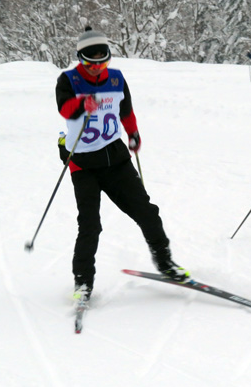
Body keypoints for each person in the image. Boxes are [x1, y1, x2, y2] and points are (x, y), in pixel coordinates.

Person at [55, 27, 189, 301]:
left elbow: (125, 111)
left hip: (115, 158)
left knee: (147, 212)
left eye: (102, 61)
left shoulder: (116, 79)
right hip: (83, 163)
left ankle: (165, 264)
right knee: (90, 225)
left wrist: (134, 133)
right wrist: (83, 104)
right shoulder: (68, 79)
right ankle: (82, 283)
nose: (96, 68)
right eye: (89, 63)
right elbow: (64, 108)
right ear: (80, 59)